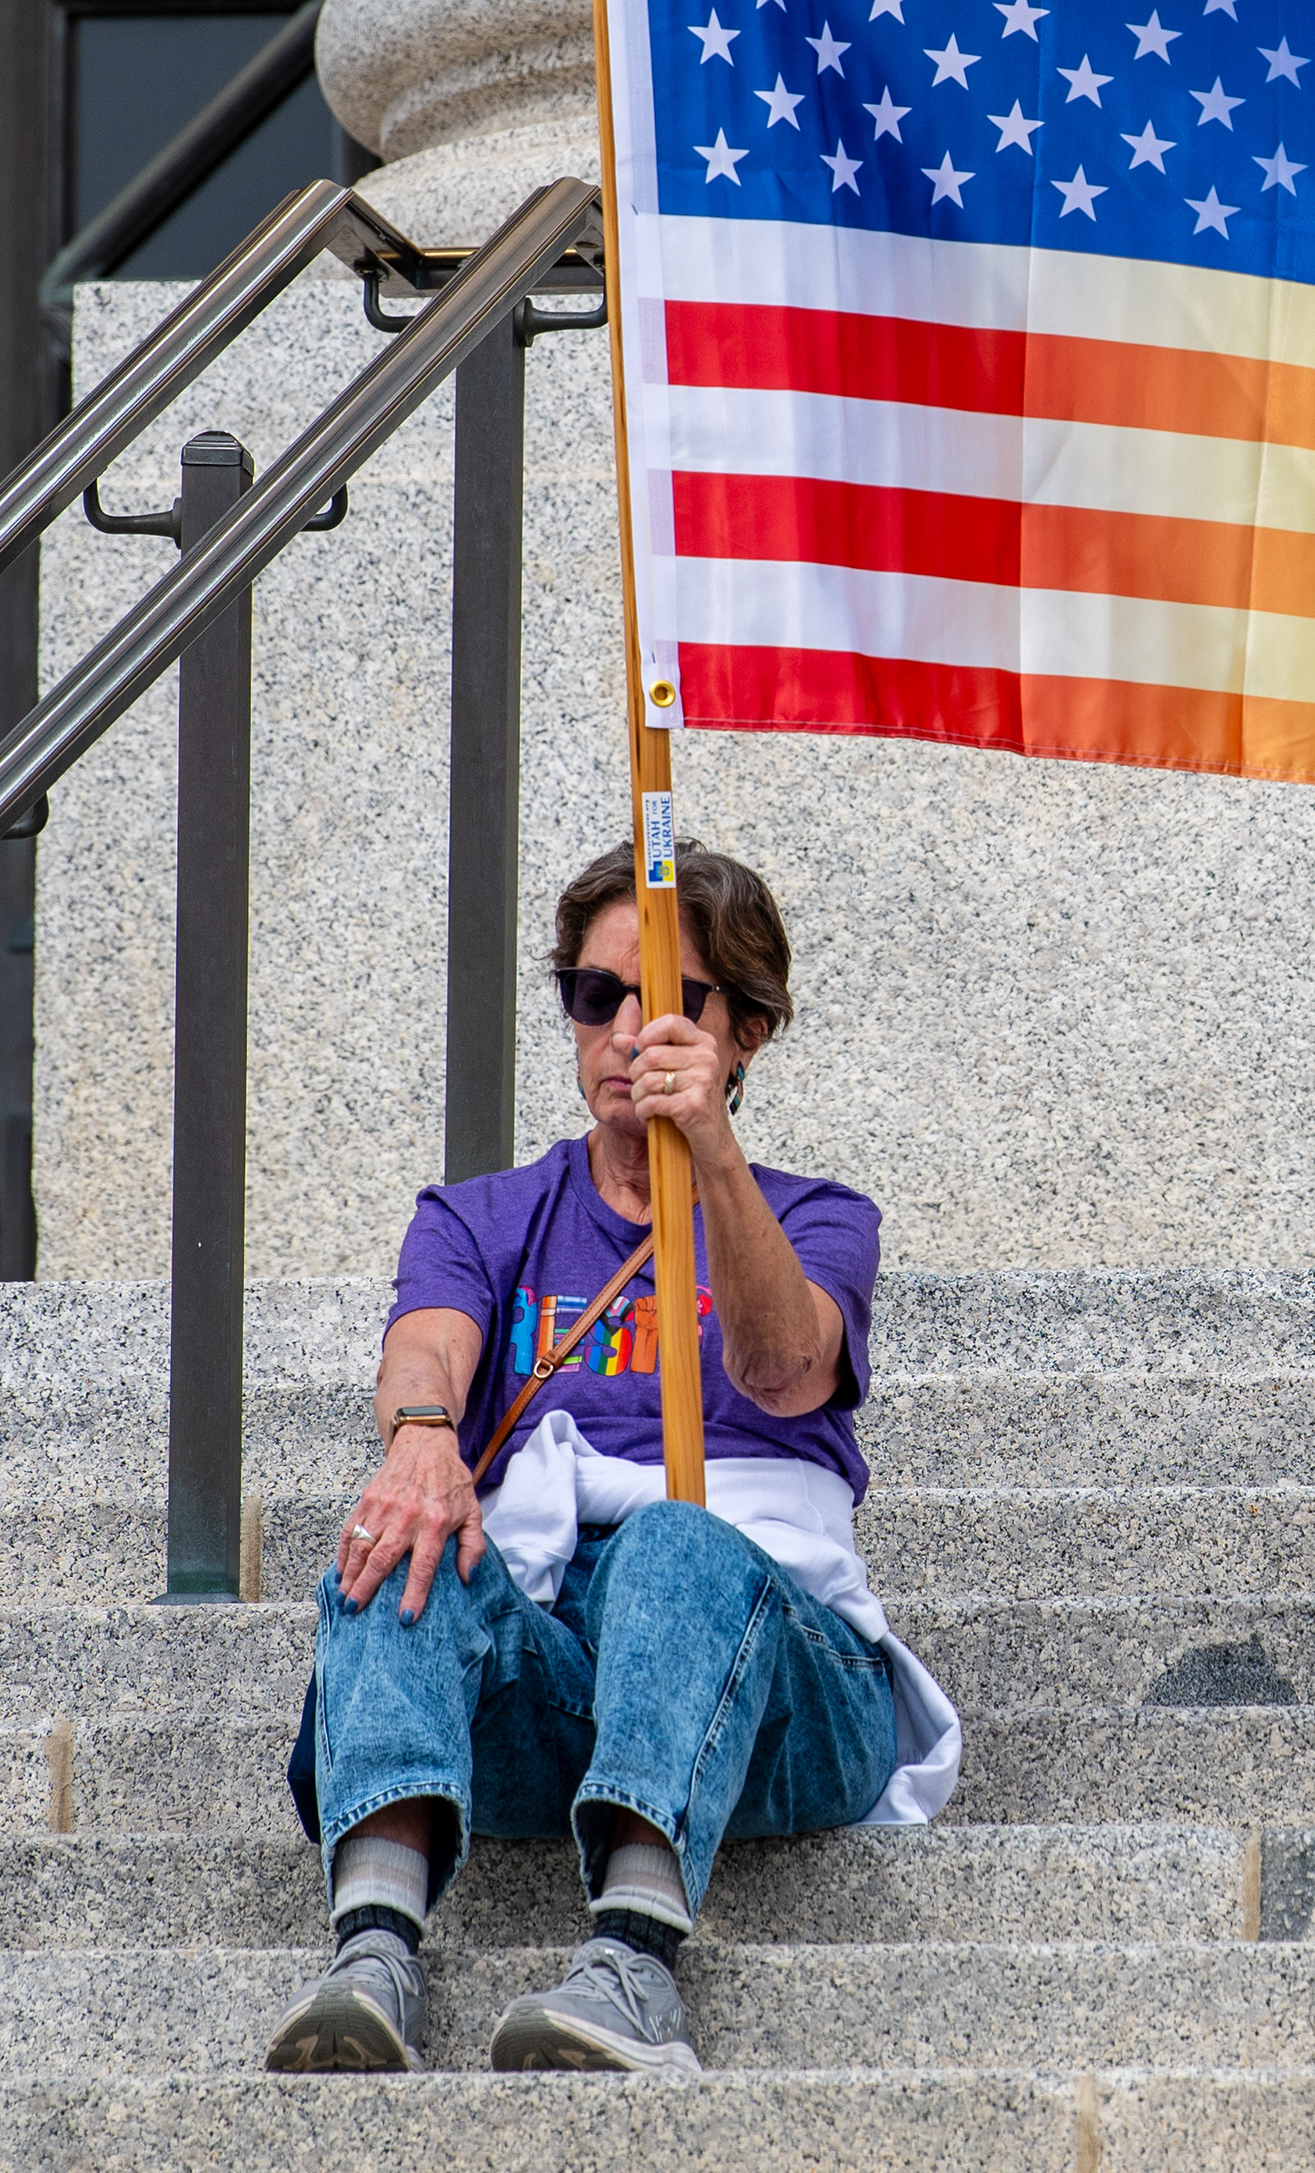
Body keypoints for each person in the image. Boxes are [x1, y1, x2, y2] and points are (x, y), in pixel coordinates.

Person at [265, 841, 956, 2075]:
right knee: (404, 1534)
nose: (628, 1027)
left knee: (676, 1543)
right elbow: (425, 1348)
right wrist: (423, 1443)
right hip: (556, 1667)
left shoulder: (819, 1215)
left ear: (746, 1029)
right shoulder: (480, 1215)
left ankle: (633, 1961)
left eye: (674, 998)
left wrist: (712, 1154)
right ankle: (371, 1952)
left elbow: (786, 1367)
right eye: (598, 995)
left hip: (772, 1676)